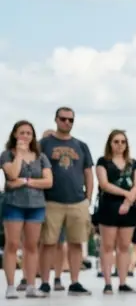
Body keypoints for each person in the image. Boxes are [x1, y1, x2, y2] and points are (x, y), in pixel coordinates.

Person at [37, 107, 95, 295]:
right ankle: (45, 281)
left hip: (77, 201)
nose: (67, 123)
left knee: (76, 242)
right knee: (48, 243)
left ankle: (75, 281)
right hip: (52, 200)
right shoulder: (44, 144)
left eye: (71, 120)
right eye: (63, 119)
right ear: (56, 119)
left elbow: (88, 172)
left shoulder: (81, 145)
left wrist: (88, 198)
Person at [3, 120, 53, 299]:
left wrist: (24, 182)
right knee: (12, 244)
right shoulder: (7, 155)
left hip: (36, 206)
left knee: (32, 246)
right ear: (15, 134)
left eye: (28, 133)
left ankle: (31, 284)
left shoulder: (41, 157)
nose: (25, 136)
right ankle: (10, 286)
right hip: (14, 204)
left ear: (33, 136)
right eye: (22, 132)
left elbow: (48, 181)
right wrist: (19, 155)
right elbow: (13, 174)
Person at [94, 129, 136, 294]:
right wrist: (125, 193)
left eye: (123, 142)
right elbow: (104, 184)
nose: (120, 145)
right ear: (110, 143)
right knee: (108, 246)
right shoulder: (103, 162)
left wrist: (128, 202)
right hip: (109, 206)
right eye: (116, 141)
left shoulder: (133, 163)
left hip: (128, 208)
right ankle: (107, 282)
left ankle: (122, 282)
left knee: (124, 246)